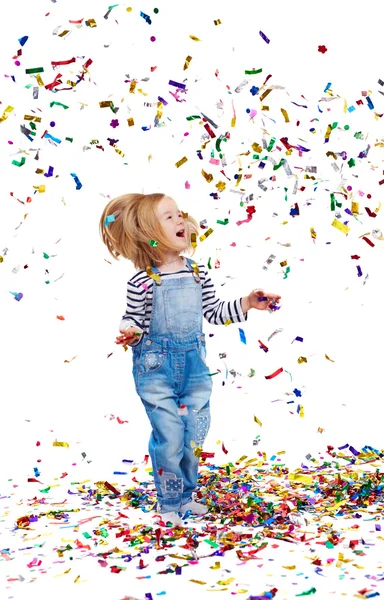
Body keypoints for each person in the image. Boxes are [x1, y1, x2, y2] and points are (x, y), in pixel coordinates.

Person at [99, 193, 281, 526]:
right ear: (148, 233)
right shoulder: (142, 281)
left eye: (179, 214)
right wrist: (129, 332)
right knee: (169, 433)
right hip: (156, 368)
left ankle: (186, 495)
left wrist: (246, 302)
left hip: (195, 367)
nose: (180, 220)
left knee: (194, 433)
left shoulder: (197, 273)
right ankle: (168, 503)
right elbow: (133, 319)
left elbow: (213, 311)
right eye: (168, 217)